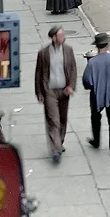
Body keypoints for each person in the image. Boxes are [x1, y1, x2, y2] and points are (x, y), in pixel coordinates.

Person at [34, 26, 76, 163]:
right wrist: (39, 92)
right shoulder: (43, 53)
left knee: (63, 119)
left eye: (63, 34)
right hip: (50, 91)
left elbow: (73, 69)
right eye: (60, 35)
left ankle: (60, 142)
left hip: (64, 90)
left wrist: (71, 86)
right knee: (54, 121)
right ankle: (55, 149)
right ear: (53, 38)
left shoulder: (68, 50)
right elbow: (38, 74)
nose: (62, 37)